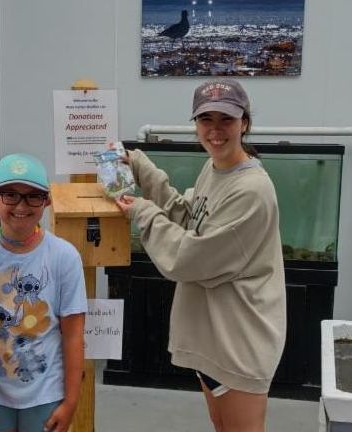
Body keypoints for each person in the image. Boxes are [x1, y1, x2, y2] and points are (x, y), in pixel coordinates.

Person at [114, 79, 286, 432]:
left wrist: (142, 212)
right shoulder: (214, 168)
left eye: (226, 119)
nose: (215, 130)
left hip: (239, 341)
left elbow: (189, 258)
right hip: (212, 337)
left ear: (245, 123)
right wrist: (140, 166)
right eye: (206, 119)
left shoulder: (252, 190)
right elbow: (188, 218)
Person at [0, 153, 88, 432]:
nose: (21, 205)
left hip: (45, 394)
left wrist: (71, 402)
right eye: (10, 195)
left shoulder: (63, 256)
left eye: (33, 196)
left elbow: (73, 335)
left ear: (47, 201)